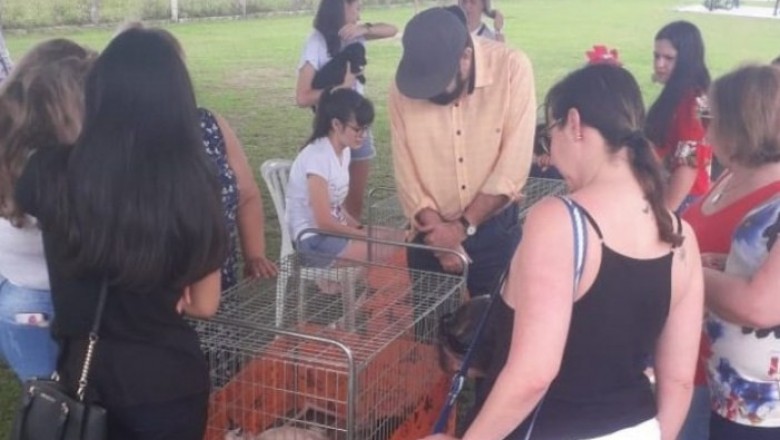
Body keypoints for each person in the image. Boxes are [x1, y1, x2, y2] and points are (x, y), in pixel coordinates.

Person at [422, 63, 705, 440]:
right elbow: (680, 381)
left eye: (548, 137)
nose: (550, 157)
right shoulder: (680, 236)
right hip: (638, 427)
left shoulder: (559, 220)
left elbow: (533, 374)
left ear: (573, 124)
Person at [15, 27, 227, 439]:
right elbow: (204, 304)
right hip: (168, 386)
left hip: (84, 379)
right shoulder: (195, 187)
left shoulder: (48, 173)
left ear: (97, 94)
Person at [389, 7, 535, 297]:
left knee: (494, 333)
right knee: (431, 334)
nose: (429, 96)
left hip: (494, 230)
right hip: (429, 233)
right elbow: (406, 173)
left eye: (437, 85)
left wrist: (460, 228)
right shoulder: (403, 87)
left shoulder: (512, 68)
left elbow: (512, 167)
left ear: (465, 58)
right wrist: (439, 236)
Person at [684, 64, 780, 440]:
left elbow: (762, 305)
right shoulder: (730, 173)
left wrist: (686, 267)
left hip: (760, 412)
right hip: (714, 382)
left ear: (742, 125)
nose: (706, 130)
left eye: (714, 118)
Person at [0, 39, 92, 382]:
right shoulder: (54, 168)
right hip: (44, 303)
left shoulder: (10, 149)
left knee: (48, 406)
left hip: (15, 293)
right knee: (60, 413)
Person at [295, 0, 397, 219]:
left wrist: (364, 29)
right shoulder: (316, 41)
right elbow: (302, 97)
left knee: (354, 206)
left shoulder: (356, 35)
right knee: (330, 205)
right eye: (356, 7)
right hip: (333, 128)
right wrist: (339, 88)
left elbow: (392, 29)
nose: (359, 12)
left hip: (358, 125)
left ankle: (351, 242)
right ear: (342, 7)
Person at [286, 88, 375, 267]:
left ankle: (356, 292)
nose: (363, 136)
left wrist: (359, 227)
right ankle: (367, 293)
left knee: (389, 241)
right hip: (311, 240)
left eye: (365, 129)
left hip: (330, 234)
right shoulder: (318, 157)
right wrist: (363, 234)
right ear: (336, 124)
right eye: (357, 129)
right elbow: (324, 223)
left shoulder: (345, 151)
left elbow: (336, 207)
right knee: (383, 250)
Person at [646, 21, 712, 213]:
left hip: (680, 198)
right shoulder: (694, 92)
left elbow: (688, 164)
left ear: (687, 59)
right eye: (656, 56)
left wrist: (665, 214)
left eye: (669, 58)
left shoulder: (690, 102)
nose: (660, 64)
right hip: (688, 193)